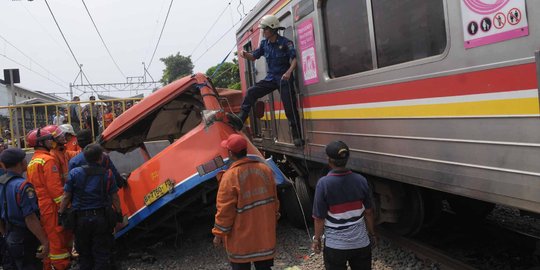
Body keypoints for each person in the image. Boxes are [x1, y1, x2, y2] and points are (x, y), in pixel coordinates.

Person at [212, 134, 279, 270]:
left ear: (230, 153)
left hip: (241, 241)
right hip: (264, 236)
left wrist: (218, 234)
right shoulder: (265, 170)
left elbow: (225, 210)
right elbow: (274, 200)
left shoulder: (230, 177)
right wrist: (275, 216)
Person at [236, 14, 303, 147]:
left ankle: (297, 136)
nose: (263, 31)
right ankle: (241, 119)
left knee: (290, 108)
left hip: (284, 79)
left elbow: (294, 59)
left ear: (272, 29)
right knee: (251, 92)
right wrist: (244, 55)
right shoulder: (264, 44)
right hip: (271, 78)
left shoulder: (285, 43)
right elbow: (254, 57)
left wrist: (289, 72)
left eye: (264, 29)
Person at [311, 141, 377, 270]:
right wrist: (372, 234)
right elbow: (369, 212)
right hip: (361, 243)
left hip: (335, 247)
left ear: (329, 160)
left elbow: (319, 218)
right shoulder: (361, 180)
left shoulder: (323, 184)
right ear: (347, 159)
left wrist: (317, 239)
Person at [58, 144, 122, 270]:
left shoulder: (74, 173)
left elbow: (66, 196)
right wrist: (118, 213)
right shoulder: (107, 174)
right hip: (101, 219)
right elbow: (114, 197)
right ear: (100, 158)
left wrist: (61, 212)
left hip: (81, 220)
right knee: (102, 253)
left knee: (84, 255)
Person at [26, 128, 71, 270]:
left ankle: (48, 266)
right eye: (48, 139)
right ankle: (61, 266)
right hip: (51, 208)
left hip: (41, 206)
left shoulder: (33, 162)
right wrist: (65, 207)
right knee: (57, 240)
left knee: (48, 240)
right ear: (40, 143)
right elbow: (56, 190)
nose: (51, 141)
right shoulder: (48, 160)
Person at [0, 148, 49, 270]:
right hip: (25, 238)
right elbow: (30, 218)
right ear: (21, 163)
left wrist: (5, 234)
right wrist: (45, 241)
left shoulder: (1, 184)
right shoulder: (23, 186)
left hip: (10, 236)